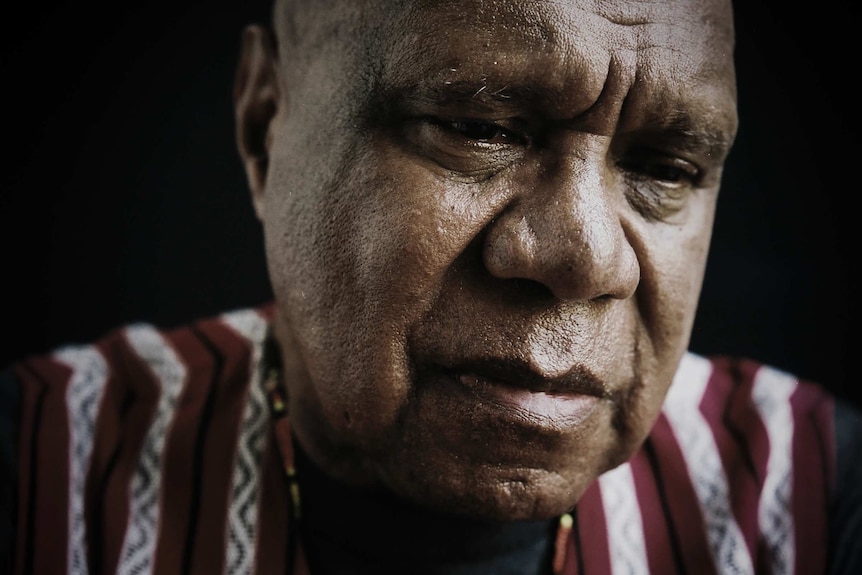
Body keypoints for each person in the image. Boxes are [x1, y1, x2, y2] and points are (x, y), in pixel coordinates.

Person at [1, 0, 859, 573]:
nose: (590, 259)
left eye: (667, 166)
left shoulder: (807, 497)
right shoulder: (46, 472)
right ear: (266, 125)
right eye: (479, 128)